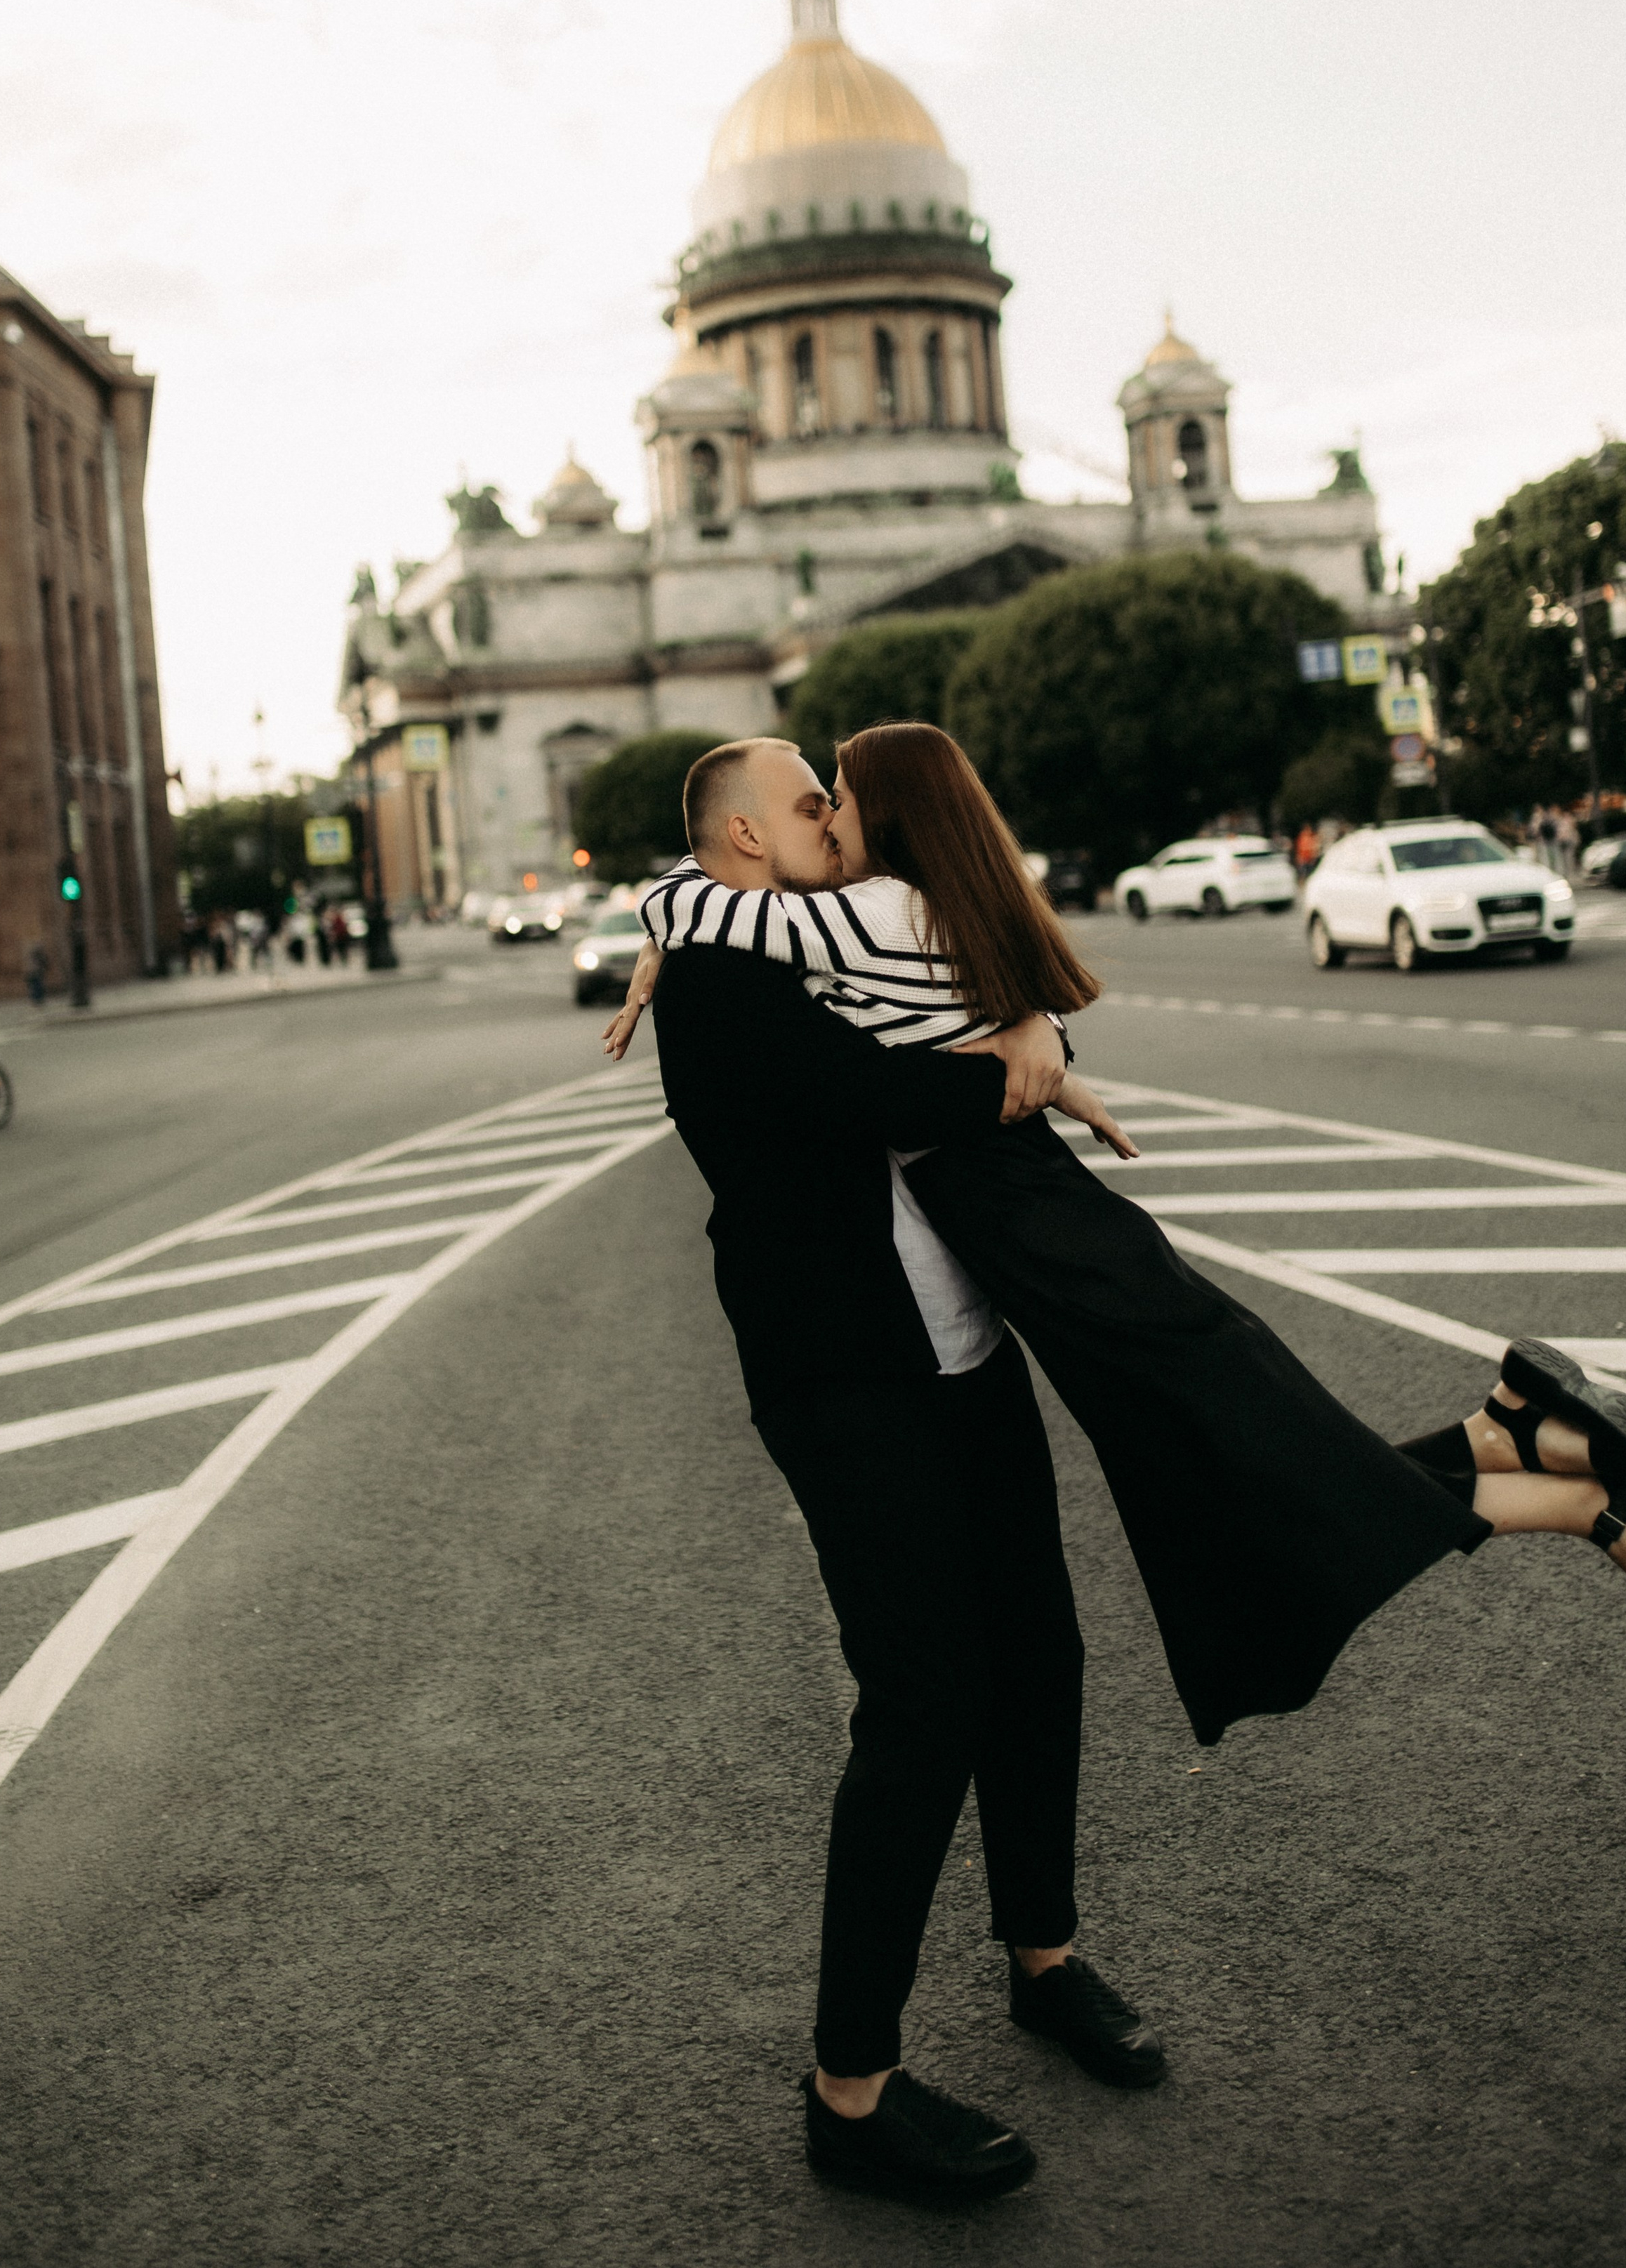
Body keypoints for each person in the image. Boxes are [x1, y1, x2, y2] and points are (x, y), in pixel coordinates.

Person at [621, 727, 1626, 1684]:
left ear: (890, 821)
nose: (828, 816)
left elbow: (691, 902)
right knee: (1257, 1464)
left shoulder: (868, 915)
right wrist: (1037, 1047)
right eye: (816, 800)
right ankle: (1519, 1438)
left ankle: (1593, 1501)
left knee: (1257, 1480)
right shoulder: (921, 911)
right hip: (1060, 1241)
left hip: (1061, 1253)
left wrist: (664, 931)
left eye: (835, 797)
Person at [623, 736, 1165, 2205]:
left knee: (1037, 1651)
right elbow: (884, 1095)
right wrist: (1018, 1062)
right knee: (924, 1698)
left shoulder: (816, 933)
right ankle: (847, 2093)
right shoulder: (721, 975)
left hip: (962, 1352)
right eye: (807, 800)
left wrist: (1031, 1033)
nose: (831, 815)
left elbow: (962, 988)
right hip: (844, 1377)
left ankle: (1042, 1958)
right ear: (739, 837)